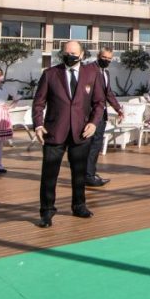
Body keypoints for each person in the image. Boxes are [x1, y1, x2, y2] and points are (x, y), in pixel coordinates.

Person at [33, 40, 105, 228]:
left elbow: (99, 102)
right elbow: (39, 103)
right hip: (54, 131)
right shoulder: (50, 74)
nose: (70, 56)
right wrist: (38, 125)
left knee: (79, 173)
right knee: (49, 174)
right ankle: (47, 211)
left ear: (82, 55)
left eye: (74, 53)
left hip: (81, 132)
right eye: (66, 53)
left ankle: (79, 205)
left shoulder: (92, 73)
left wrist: (93, 123)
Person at [85, 47, 124, 187]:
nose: (106, 60)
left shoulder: (105, 72)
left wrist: (118, 108)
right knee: (90, 146)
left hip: (101, 114)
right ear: (98, 56)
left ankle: (90, 173)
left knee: (96, 145)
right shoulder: (89, 69)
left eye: (109, 59)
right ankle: (88, 176)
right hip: (90, 115)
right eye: (104, 57)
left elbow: (108, 93)